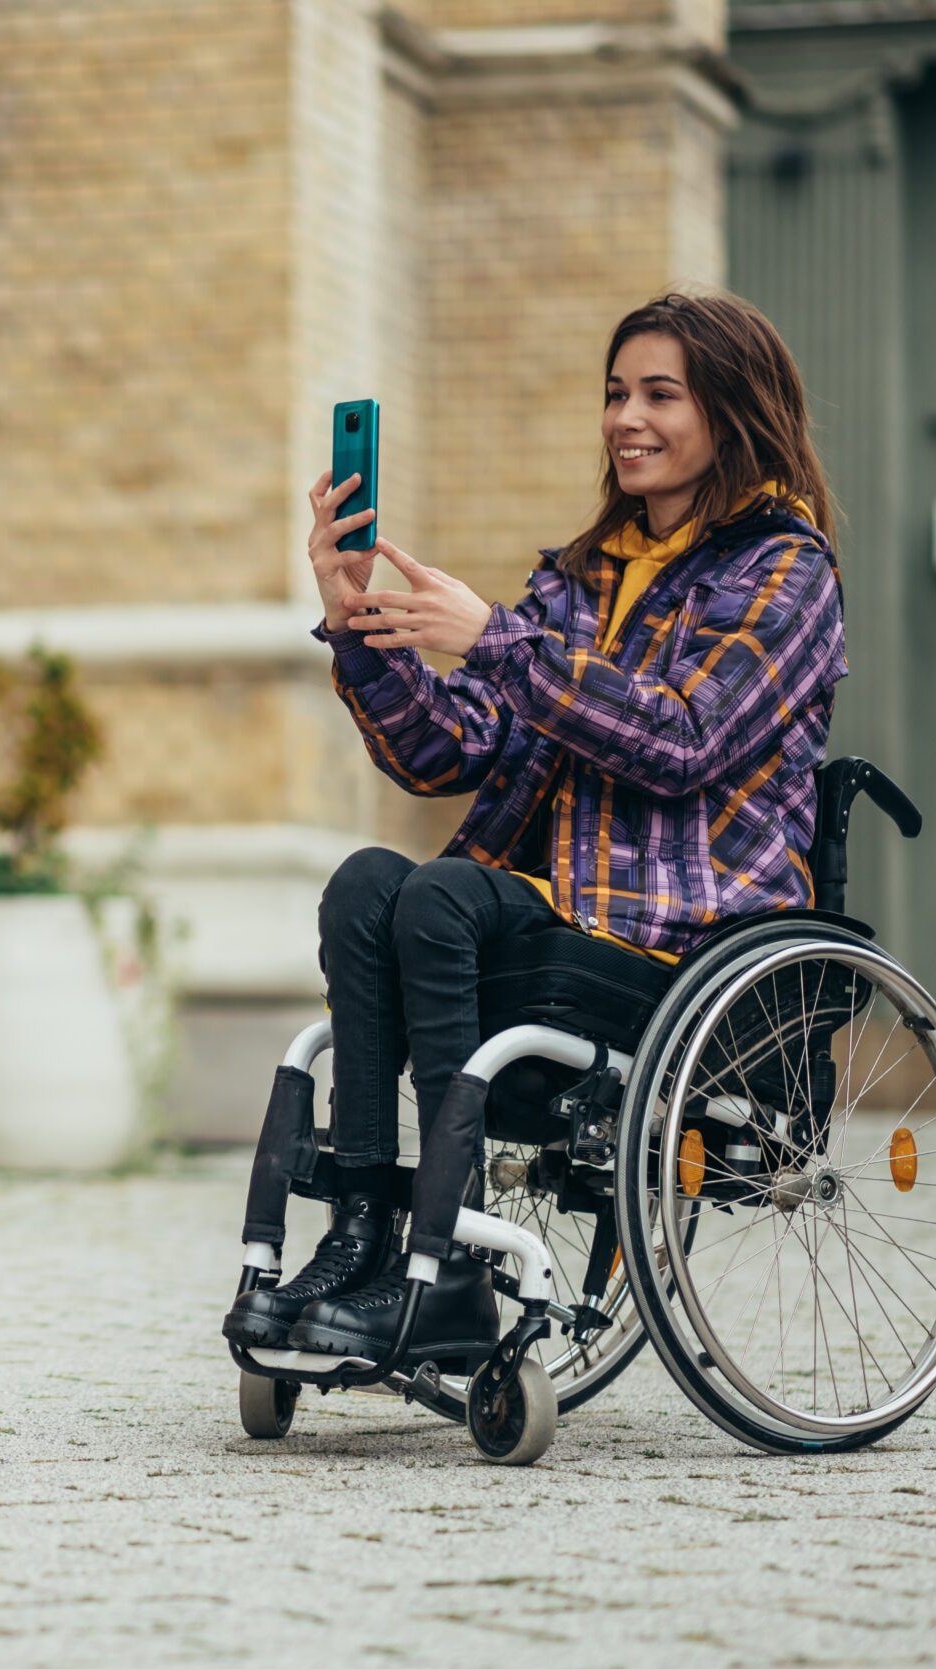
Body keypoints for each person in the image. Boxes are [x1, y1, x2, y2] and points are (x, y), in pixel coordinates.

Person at [224, 289, 847, 1364]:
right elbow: (445, 751)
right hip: (543, 915)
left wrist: (500, 642)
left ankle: (448, 1268)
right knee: (367, 882)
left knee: (437, 891)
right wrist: (357, 624)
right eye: (615, 393)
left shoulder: (785, 572)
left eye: (661, 393)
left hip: (674, 940)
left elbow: (686, 737)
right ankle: (366, 1236)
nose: (626, 418)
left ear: (732, 411)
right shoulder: (580, 577)